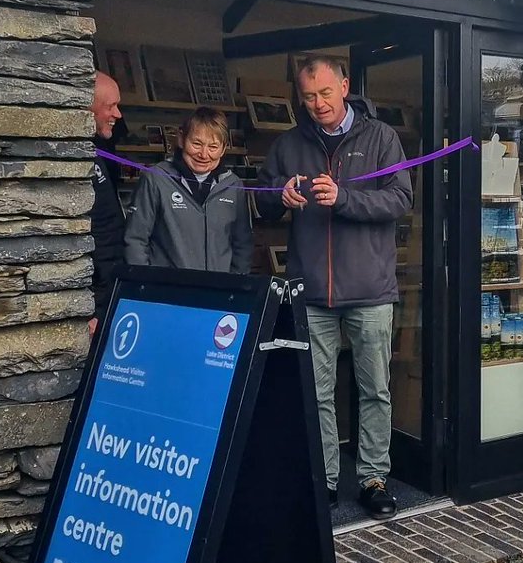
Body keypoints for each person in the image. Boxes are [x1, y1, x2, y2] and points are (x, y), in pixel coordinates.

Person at [257, 56, 412, 517]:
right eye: (308, 97)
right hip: (312, 289)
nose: (318, 104)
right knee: (316, 391)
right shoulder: (288, 144)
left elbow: (401, 199)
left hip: (370, 288)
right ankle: (322, 480)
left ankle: (373, 479)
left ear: (344, 86)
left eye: (325, 93)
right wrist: (277, 197)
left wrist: (345, 198)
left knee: (375, 389)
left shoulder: (382, 137)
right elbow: (262, 203)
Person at [123, 107, 253, 274]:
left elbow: (243, 245)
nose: (204, 154)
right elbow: (135, 240)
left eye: (213, 147)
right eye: (197, 144)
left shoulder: (233, 186)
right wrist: (147, 286)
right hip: (168, 292)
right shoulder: (156, 179)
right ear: (181, 139)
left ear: (224, 148)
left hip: (218, 293)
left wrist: (235, 287)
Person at [89, 71, 125, 335]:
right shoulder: (70, 161)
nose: (118, 114)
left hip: (106, 295)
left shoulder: (96, 155)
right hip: (91, 301)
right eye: (110, 106)